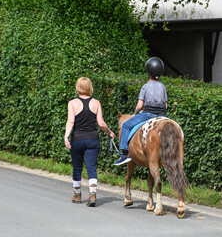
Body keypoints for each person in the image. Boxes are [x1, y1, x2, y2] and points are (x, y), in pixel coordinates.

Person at [64, 77, 115, 207]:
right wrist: (109, 132)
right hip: (93, 139)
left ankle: (77, 195)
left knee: (77, 167)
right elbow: (101, 123)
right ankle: (92, 195)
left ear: (78, 87)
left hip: (77, 139)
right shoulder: (96, 103)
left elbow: (71, 121)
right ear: (90, 87)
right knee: (91, 167)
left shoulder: (72, 103)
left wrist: (66, 136)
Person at [115, 57, 167, 165]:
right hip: (162, 116)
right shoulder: (163, 87)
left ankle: (124, 154)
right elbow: (165, 106)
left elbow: (139, 105)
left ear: (148, 73)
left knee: (126, 126)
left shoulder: (145, 86)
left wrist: (136, 113)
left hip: (148, 115)